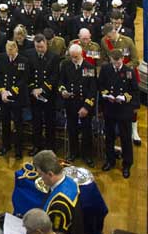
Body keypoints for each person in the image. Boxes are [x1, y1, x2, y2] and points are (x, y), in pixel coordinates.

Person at [33, 150, 84, 234]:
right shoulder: (70, 182)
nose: (41, 178)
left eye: (41, 174)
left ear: (50, 174)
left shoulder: (59, 205)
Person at [98, 47, 139, 177]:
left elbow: (134, 90)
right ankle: (110, 160)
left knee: (125, 138)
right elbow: (101, 85)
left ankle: (127, 164)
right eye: (113, 61)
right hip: (110, 107)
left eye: (117, 61)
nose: (115, 64)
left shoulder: (129, 71)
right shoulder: (106, 69)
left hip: (124, 109)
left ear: (122, 59)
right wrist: (106, 94)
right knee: (109, 136)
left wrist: (125, 97)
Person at [58, 44, 96, 165]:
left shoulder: (89, 67)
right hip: (71, 102)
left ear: (81, 54)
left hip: (84, 103)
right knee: (72, 129)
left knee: (86, 131)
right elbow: (61, 82)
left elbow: (92, 90)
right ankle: (73, 152)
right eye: (72, 56)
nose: (74, 59)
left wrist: (86, 107)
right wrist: (63, 91)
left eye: (76, 56)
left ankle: (87, 155)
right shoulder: (66, 65)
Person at [0, 39, 29, 158]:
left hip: (17, 97)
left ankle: (18, 149)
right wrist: (2, 91)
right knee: (5, 122)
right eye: (8, 51)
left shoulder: (23, 61)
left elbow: (23, 79)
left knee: (18, 123)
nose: (10, 54)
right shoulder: (3, 58)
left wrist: (10, 92)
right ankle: (5, 145)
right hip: (4, 96)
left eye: (12, 51)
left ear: (16, 49)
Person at [28, 33, 60, 153]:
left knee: (49, 122)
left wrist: (42, 89)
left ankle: (50, 146)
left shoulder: (54, 57)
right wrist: (33, 89)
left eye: (41, 47)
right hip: (34, 95)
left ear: (46, 44)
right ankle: (37, 145)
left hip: (48, 95)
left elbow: (54, 77)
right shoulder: (30, 55)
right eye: (37, 47)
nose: (40, 49)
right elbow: (28, 75)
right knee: (36, 122)